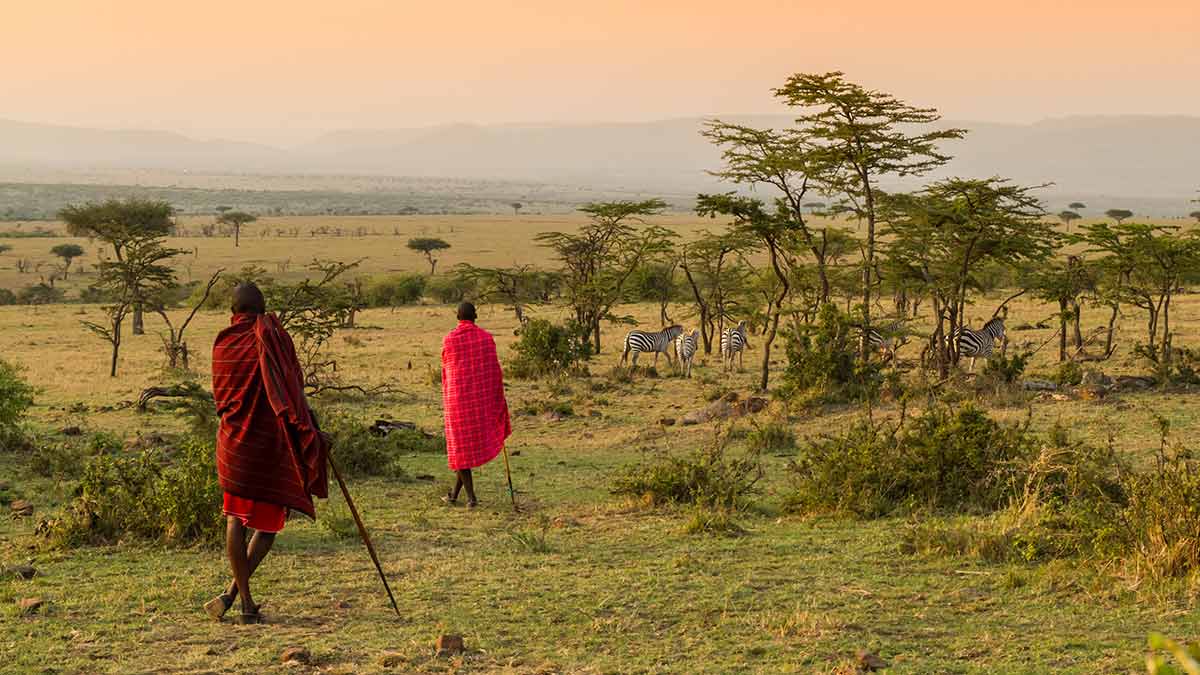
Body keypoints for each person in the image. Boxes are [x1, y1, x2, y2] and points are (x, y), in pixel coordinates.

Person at [204, 283, 329, 624]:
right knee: (269, 526)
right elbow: (290, 391)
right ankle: (242, 601)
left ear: (233, 312)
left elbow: (221, 395)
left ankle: (236, 597)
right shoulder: (270, 336)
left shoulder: (223, 342)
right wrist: (310, 429)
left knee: (235, 518)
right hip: (265, 445)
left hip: (232, 442)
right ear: (261, 310)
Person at [441, 302, 512, 507]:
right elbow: (494, 373)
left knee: (459, 450)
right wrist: (497, 400)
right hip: (480, 404)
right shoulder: (486, 339)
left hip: (457, 403)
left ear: (457, 316)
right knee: (461, 452)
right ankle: (454, 496)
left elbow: (446, 370)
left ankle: (471, 498)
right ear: (475, 316)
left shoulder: (450, 340)